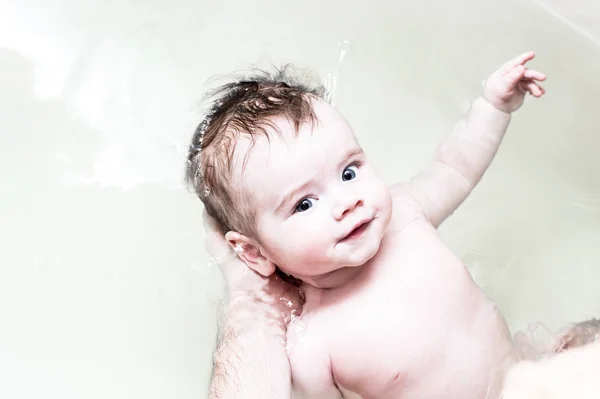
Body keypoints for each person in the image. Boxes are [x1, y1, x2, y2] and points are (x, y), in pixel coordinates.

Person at [188, 51, 547, 398]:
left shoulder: (406, 216)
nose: (348, 202)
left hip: (532, 378)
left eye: (348, 172)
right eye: (304, 204)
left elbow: (455, 169)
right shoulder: (313, 347)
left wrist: (493, 107)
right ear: (253, 252)